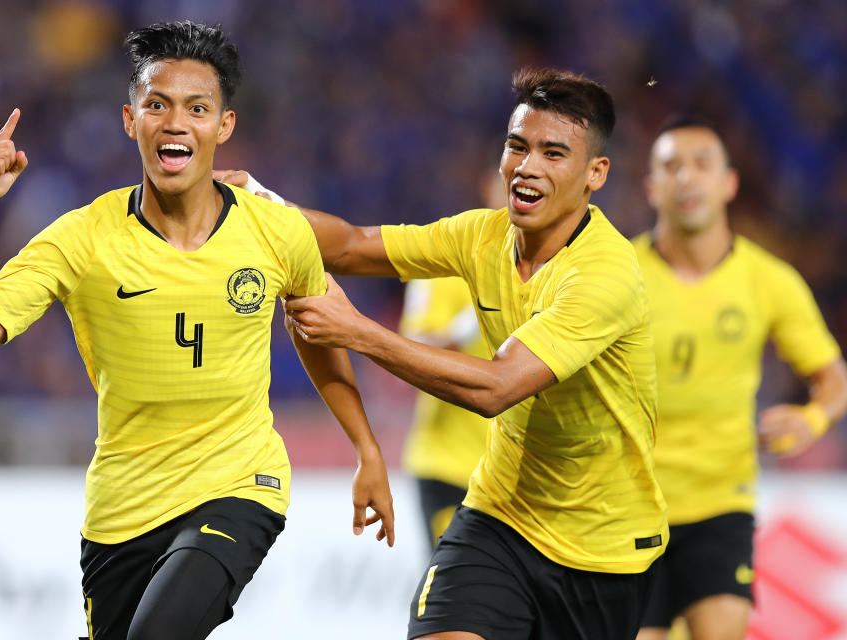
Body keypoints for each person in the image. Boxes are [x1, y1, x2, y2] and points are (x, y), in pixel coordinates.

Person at [0, 21, 394, 640]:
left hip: (239, 484)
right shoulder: (83, 236)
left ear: (223, 127)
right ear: (131, 120)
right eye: (157, 105)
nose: (176, 122)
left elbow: (318, 330)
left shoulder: (277, 232)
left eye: (197, 108)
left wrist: (366, 448)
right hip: (121, 512)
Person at [227, 67, 668, 640]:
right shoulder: (481, 237)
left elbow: (497, 388)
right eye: (518, 146)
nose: (528, 166)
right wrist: (261, 204)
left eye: (554, 153)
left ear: (595, 174)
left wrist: (357, 331)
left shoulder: (603, 274)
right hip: (499, 517)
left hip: (602, 547)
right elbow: (354, 244)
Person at [633, 117, 847, 640]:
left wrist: (812, 418)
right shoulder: (617, 276)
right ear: (651, 187)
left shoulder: (768, 281)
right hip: (629, 506)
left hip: (720, 503)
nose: (687, 178)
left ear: (729, 183)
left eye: (702, 165)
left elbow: (833, 376)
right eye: (671, 166)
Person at [399, 276, 490, 549]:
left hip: (521, 472)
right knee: (456, 587)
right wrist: (476, 317)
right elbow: (412, 354)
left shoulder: (557, 266)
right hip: (451, 466)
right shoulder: (438, 265)